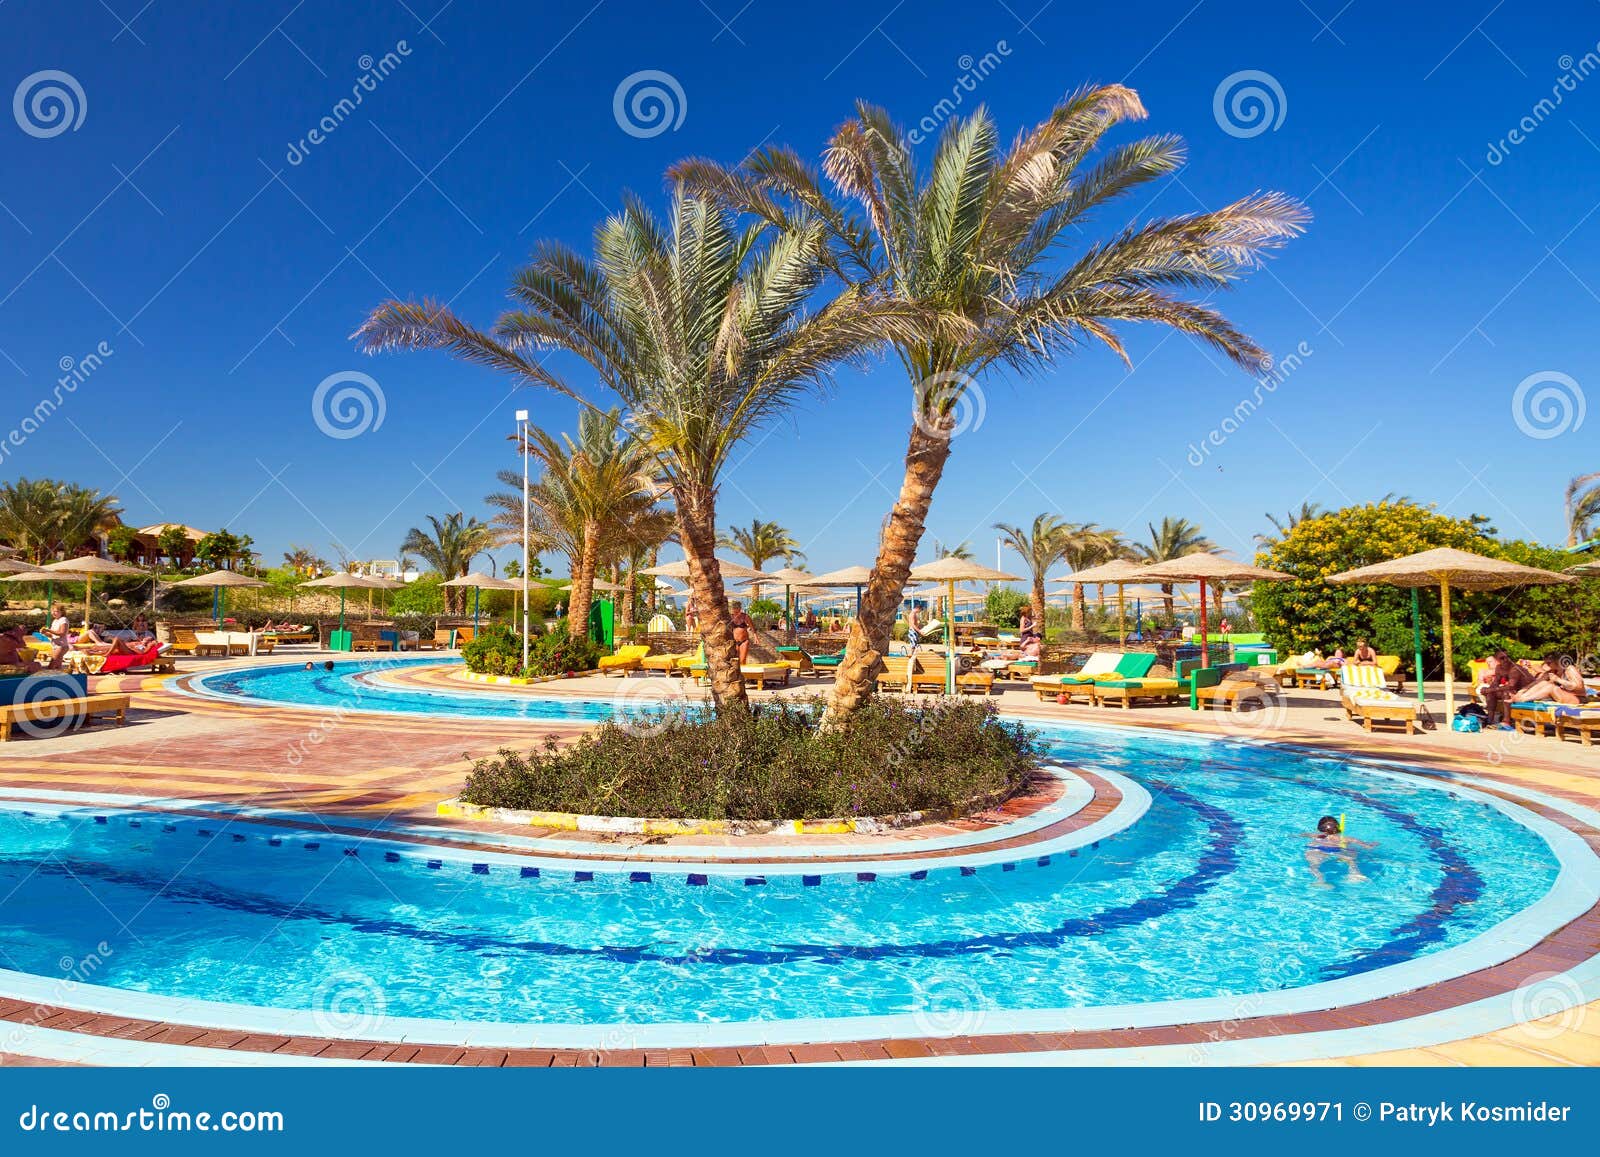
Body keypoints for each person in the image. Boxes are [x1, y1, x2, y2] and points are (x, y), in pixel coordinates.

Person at [1302, 816, 1376, 887]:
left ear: (1319, 828)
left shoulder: (1314, 835)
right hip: (1336, 849)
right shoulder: (1346, 838)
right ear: (1338, 828)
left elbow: (1300, 835)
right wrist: (1372, 844)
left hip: (1318, 848)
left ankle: (1320, 881)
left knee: (1313, 866)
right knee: (1351, 859)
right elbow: (1367, 847)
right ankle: (1354, 873)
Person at [1481, 650, 1535, 728]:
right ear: (1497, 660)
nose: (1506, 660)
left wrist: (1489, 689)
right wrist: (1487, 689)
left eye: (1508, 657)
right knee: (1491, 693)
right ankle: (1490, 719)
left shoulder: (1515, 668)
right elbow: (1496, 682)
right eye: (1502, 658)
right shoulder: (1499, 667)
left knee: (1506, 692)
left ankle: (1506, 721)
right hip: (1518, 690)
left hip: (1529, 690)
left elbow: (1511, 686)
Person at [1520, 654, 1586, 706]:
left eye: (1549, 663)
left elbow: (1579, 686)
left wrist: (1558, 680)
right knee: (1544, 683)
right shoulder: (1552, 671)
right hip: (1562, 696)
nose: (1547, 665)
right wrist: (1521, 691)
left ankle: (1524, 699)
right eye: (1546, 663)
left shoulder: (1569, 669)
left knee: (1551, 687)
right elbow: (1536, 683)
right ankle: (1521, 697)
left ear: (1557, 661)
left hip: (1577, 699)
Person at [729, 600, 752, 666]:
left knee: (742, 660)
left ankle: (744, 675)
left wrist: (756, 637)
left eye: (737, 608)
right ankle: (738, 675)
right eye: (734, 608)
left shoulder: (745, 616)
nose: (735, 610)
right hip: (735, 642)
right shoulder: (731, 617)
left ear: (740, 608)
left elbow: (752, 627)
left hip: (744, 641)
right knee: (735, 661)